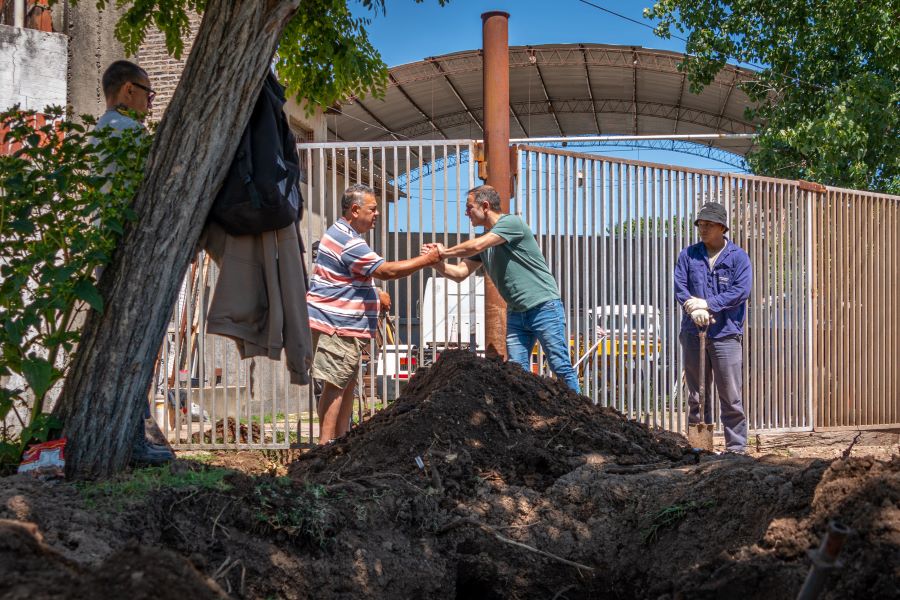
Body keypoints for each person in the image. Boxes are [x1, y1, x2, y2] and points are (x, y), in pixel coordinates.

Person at [307, 184, 441, 444]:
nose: (377, 214)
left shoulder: (343, 235)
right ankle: (324, 449)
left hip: (341, 324)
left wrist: (374, 293)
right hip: (338, 325)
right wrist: (427, 260)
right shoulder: (348, 241)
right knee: (335, 386)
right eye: (373, 208)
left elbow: (347, 278)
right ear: (355, 210)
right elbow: (386, 271)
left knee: (343, 386)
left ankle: (340, 442)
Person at [421, 185, 581, 393]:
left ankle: (581, 414)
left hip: (543, 307)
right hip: (516, 313)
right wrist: (435, 263)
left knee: (560, 365)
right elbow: (460, 273)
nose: (466, 212)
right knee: (517, 371)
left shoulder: (511, 223)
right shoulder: (485, 242)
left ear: (485, 206)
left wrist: (444, 251)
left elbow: (479, 245)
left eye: (469, 207)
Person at [93, 60, 171, 466]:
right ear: (127, 91)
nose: (150, 102)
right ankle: (137, 438)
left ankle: (139, 432)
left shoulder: (97, 131)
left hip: (104, 251)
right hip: (126, 251)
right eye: (148, 92)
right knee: (135, 348)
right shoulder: (128, 132)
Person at [674, 202, 752, 454]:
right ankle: (700, 447)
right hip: (693, 333)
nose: (703, 229)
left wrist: (708, 304)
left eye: (708, 224)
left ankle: (736, 449)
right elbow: (680, 286)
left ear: (722, 227)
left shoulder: (738, 257)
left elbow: (741, 291)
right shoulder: (688, 255)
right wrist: (690, 306)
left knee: (730, 396)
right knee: (697, 395)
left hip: (726, 334)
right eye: (700, 224)